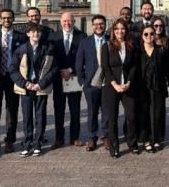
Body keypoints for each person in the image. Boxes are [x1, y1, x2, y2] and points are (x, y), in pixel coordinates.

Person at [8, 23, 58, 157]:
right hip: (26, 87)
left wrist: (41, 84)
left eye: (38, 32)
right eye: (33, 32)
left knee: (40, 116)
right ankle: (27, 143)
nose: (36, 34)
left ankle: (37, 143)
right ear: (28, 34)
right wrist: (24, 84)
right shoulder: (21, 50)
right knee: (27, 117)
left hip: (40, 86)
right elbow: (12, 69)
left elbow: (54, 69)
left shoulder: (48, 48)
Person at [0, 8, 27, 154]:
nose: (6, 20)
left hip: (13, 77)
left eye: (9, 18)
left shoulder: (21, 37)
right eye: (4, 18)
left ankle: (10, 140)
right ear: (0, 19)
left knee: (12, 109)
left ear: (13, 19)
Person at [101, 19, 139, 158]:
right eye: (117, 29)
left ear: (126, 30)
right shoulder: (107, 46)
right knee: (112, 118)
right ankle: (114, 146)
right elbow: (106, 67)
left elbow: (134, 66)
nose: (120, 31)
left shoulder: (131, 45)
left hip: (128, 86)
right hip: (112, 87)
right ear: (113, 31)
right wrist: (115, 84)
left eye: (122, 28)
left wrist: (128, 82)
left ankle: (132, 143)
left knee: (131, 116)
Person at [48, 12, 86, 148]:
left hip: (74, 77)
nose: (67, 24)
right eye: (64, 21)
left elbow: (82, 58)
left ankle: (74, 138)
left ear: (74, 22)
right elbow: (50, 57)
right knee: (59, 109)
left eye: (69, 21)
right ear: (60, 22)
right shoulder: (53, 37)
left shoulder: (81, 36)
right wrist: (60, 70)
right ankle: (59, 138)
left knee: (75, 109)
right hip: (58, 78)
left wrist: (70, 70)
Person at [74, 15, 110, 152]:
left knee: (106, 111)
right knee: (92, 111)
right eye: (95, 24)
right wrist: (82, 81)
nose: (98, 26)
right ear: (92, 26)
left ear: (105, 25)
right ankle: (92, 137)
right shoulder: (85, 42)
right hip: (90, 83)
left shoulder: (110, 40)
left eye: (101, 24)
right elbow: (79, 63)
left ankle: (106, 136)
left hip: (107, 83)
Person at [137, 25, 168, 153]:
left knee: (156, 113)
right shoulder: (138, 51)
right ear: (142, 36)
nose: (149, 36)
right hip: (142, 87)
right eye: (146, 34)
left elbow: (166, 68)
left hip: (157, 87)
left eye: (151, 33)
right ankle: (145, 140)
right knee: (144, 114)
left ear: (155, 35)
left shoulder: (161, 50)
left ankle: (156, 139)